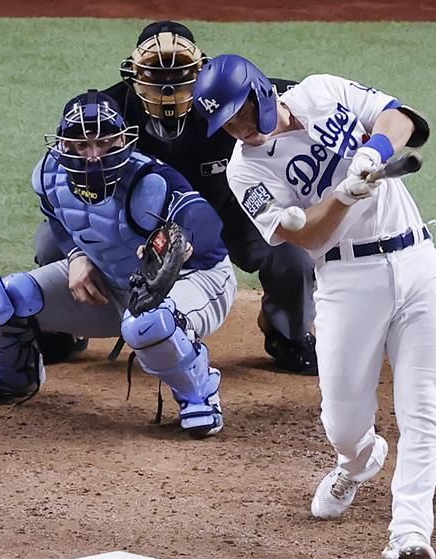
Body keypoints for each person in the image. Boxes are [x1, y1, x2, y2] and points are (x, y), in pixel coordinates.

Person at [193, 55, 436, 559]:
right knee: (343, 422)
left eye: (242, 113)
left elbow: (402, 120)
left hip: (419, 263)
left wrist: (373, 151)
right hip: (348, 282)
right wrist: (342, 197)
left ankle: (410, 531)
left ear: (262, 92)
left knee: (424, 408)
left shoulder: (322, 91)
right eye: (227, 124)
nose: (240, 129)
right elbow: (306, 236)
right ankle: (356, 463)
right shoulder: (246, 171)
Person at [0, 90, 236, 438]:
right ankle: (11, 378)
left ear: (123, 141)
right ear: (63, 144)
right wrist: (77, 255)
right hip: (111, 287)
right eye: (81, 145)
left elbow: (206, 223)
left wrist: (182, 241)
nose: (93, 156)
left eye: (105, 142)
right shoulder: (51, 176)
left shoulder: (150, 183)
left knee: (147, 323)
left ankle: (199, 394)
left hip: (196, 280)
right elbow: (57, 216)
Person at [34, 21, 318, 375]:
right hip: (138, 225)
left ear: (203, 72)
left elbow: (292, 95)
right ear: (132, 76)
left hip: (236, 211)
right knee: (51, 242)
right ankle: (68, 329)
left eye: (181, 74)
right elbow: (68, 175)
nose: (167, 85)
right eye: (153, 75)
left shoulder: (227, 95)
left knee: (289, 249)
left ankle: (286, 334)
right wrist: (78, 253)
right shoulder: (110, 114)